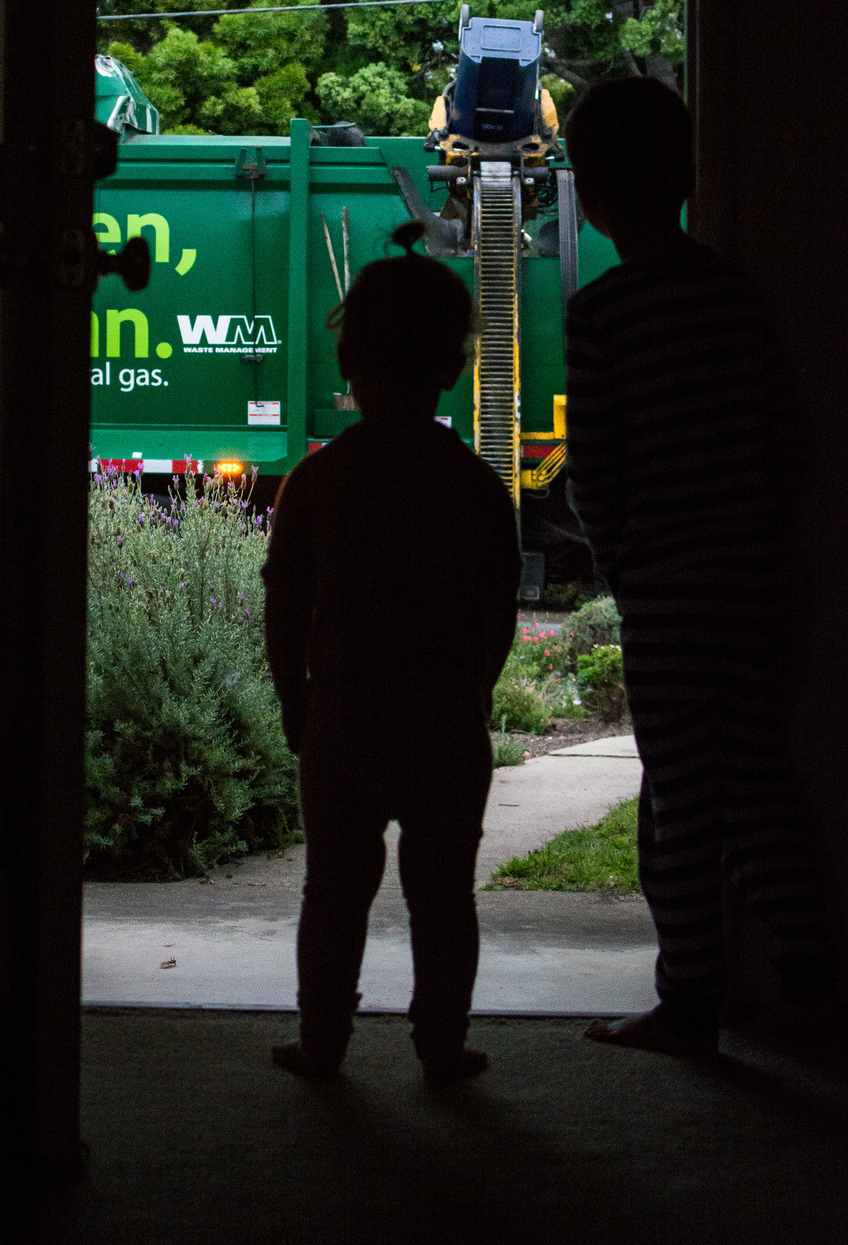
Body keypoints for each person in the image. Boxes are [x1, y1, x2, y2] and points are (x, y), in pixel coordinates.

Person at [562, 77, 835, 1055]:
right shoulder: (734, 294)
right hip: (754, 585)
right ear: (686, 178)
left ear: (590, 198)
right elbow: (785, 437)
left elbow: (593, 475)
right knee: (754, 778)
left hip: (669, 594)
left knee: (677, 799)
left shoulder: (601, 314)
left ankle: (687, 999)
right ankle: (810, 970)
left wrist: (625, 569)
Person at [262, 226, 521, 1084]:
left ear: (348, 362)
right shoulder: (475, 486)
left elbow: (285, 606)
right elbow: (497, 610)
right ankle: (442, 1045)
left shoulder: (317, 483)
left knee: (332, 891)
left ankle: (322, 1041)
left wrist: (296, 705)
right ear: (453, 367)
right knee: (443, 896)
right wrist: (474, 693)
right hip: (444, 718)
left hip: (343, 713)